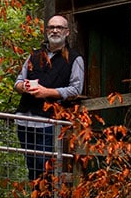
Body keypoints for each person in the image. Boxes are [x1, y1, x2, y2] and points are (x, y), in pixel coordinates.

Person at [14, 14, 84, 185]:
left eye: (59, 27)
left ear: (67, 32)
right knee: (31, 165)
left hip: (49, 121)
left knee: (45, 166)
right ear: (46, 31)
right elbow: (17, 82)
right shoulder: (34, 56)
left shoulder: (75, 59)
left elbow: (76, 89)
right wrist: (24, 87)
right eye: (51, 27)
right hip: (24, 119)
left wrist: (47, 92)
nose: (54, 30)